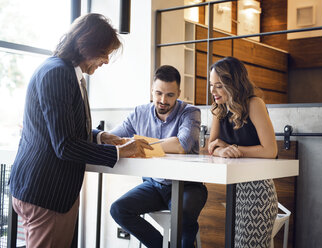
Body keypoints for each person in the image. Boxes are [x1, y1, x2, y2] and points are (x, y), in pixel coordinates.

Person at [9, 13, 152, 248]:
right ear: (87, 46)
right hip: (48, 192)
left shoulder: (64, 71)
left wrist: (99, 135)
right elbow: (65, 145)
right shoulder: (58, 73)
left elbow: (61, 126)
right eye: (104, 53)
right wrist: (119, 153)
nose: (106, 61)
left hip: (40, 189)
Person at [104, 65, 208, 248]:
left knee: (183, 217)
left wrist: (138, 144)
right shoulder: (139, 113)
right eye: (158, 93)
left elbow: (182, 145)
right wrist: (119, 141)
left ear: (179, 93)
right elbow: (113, 139)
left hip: (188, 186)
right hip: (154, 185)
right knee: (119, 210)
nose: (163, 100)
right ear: (151, 90)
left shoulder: (190, 112)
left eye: (170, 95)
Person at [208, 57, 278, 247]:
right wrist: (221, 152)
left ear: (233, 84)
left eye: (219, 86)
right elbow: (211, 147)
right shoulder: (218, 109)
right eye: (211, 85)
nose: (212, 91)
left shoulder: (254, 104)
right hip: (234, 193)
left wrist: (234, 150)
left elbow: (270, 150)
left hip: (257, 193)